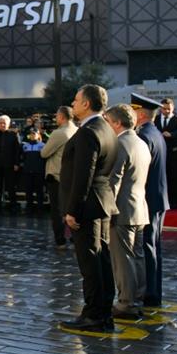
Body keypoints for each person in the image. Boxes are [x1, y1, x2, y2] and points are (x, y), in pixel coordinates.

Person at [59, 84, 118, 332]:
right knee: (102, 260)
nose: (72, 103)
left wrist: (73, 210)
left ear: (86, 103)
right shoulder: (105, 127)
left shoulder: (88, 132)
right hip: (101, 202)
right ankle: (103, 312)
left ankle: (94, 315)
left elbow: (84, 174)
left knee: (91, 263)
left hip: (88, 206)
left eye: (76, 99)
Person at [104, 104, 150, 321]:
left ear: (117, 123)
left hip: (122, 210)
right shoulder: (140, 142)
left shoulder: (120, 143)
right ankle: (137, 299)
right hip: (139, 208)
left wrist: (107, 209)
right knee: (137, 257)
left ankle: (126, 303)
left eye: (107, 122)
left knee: (123, 260)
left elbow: (115, 179)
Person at [129, 94, 170, 308]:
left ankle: (150, 294)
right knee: (153, 246)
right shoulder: (155, 133)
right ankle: (154, 292)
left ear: (141, 113)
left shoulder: (143, 136)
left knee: (147, 248)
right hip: (158, 198)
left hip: (148, 200)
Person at [42, 106, 77, 248]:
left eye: (57, 116)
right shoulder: (77, 130)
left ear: (62, 117)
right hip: (72, 176)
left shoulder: (59, 133)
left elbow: (44, 153)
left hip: (57, 176)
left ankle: (60, 240)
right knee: (72, 208)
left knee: (57, 210)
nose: (55, 118)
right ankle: (75, 239)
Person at [21, 128, 47, 214]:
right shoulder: (25, 146)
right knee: (28, 191)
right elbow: (23, 158)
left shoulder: (43, 145)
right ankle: (29, 208)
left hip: (39, 172)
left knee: (39, 191)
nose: (32, 135)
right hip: (28, 172)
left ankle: (40, 208)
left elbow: (45, 159)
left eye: (34, 133)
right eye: (31, 134)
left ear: (38, 135)